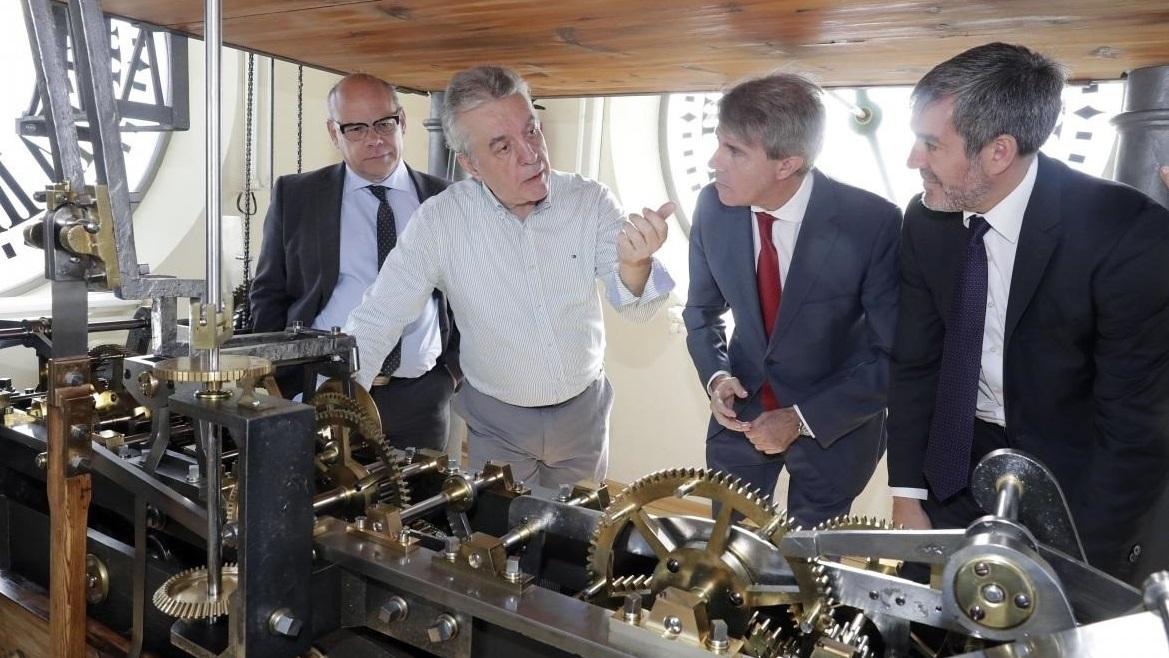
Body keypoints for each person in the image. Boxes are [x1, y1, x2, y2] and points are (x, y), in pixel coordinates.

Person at [887, 42, 1169, 582]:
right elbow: (915, 364)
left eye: (930, 145)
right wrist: (908, 493)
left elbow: (1134, 432)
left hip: (1081, 491)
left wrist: (1089, 569)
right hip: (957, 469)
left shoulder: (1126, 235)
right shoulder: (925, 222)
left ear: (997, 152)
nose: (913, 161)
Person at [343, 66, 675, 487]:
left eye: (531, 132)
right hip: (496, 426)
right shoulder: (440, 222)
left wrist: (635, 265)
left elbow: (638, 309)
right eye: (502, 147)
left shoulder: (589, 201)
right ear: (470, 163)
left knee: (579, 543)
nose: (530, 154)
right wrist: (338, 404)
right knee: (501, 542)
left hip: (582, 419)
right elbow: (380, 316)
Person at [682, 74, 900, 527]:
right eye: (718, 143)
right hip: (739, 424)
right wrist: (716, 376)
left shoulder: (873, 222)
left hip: (834, 431)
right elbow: (702, 313)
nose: (713, 161)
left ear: (787, 164)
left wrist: (800, 420)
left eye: (734, 151)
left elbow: (894, 356)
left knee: (808, 575)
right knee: (727, 560)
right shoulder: (712, 206)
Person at [251, 73, 460, 452]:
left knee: (420, 505)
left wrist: (449, 374)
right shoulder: (297, 196)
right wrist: (277, 383)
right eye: (356, 128)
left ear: (402, 122)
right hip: (325, 392)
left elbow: (470, 295)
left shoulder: (444, 198)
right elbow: (269, 294)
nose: (374, 139)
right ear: (334, 133)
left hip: (419, 399)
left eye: (384, 123)